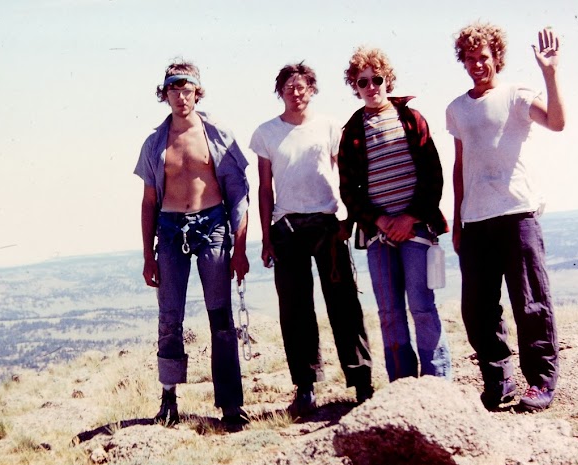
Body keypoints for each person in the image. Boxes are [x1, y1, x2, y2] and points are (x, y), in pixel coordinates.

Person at [446, 24, 565, 412]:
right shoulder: (457, 109)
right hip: (475, 221)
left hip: (517, 215)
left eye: (483, 56)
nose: (477, 64)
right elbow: (460, 166)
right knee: (477, 309)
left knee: (530, 303)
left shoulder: (516, 95)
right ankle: (499, 382)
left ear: (496, 56)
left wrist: (550, 73)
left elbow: (557, 122)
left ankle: (541, 382)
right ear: (463, 61)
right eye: (470, 58)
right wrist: (458, 220)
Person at [250, 62, 373, 417]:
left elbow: (343, 174)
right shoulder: (266, 133)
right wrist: (266, 237)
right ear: (280, 92)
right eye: (288, 87)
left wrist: (346, 219)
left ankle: (362, 382)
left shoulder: (330, 127)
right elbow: (264, 188)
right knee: (295, 309)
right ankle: (305, 387)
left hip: (327, 224)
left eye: (301, 86)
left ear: (312, 89)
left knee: (344, 303)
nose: (296, 92)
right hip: (286, 228)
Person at [134, 61, 251, 430]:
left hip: (212, 225)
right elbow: (149, 201)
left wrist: (240, 249)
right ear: (165, 94)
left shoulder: (218, 135)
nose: (181, 97)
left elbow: (238, 194)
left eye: (187, 90)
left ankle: (230, 405)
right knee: (170, 318)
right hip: (170, 231)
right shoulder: (155, 143)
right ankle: (168, 399)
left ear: (197, 93)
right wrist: (147, 255)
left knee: (221, 317)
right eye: (174, 90)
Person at [339, 47, 452, 383]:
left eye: (377, 79)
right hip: (378, 235)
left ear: (388, 79)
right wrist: (381, 221)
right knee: (389, 311)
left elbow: (433, 175)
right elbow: (349, 189)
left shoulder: (412, 119)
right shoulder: (352, 132)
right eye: (363, 82)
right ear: (355, 86)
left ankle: (436, 381)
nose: (371, 86)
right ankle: (401, 384)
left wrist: (409, 217)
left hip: (415, 229)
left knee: (421, 305)